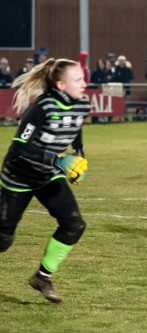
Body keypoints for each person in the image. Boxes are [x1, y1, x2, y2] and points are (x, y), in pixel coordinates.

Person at [0, 58, 90, 303]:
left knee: (74, 224)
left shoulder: (82, 103)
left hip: (47, 174)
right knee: (3, 239)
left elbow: (76, 126)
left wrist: (78, 154)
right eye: (78, 79)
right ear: (60, 85)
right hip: (19, 174)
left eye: (83, 78)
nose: (84, 83)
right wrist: (59, 161)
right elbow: (20, 147)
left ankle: (42, 277)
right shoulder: (42, 106)